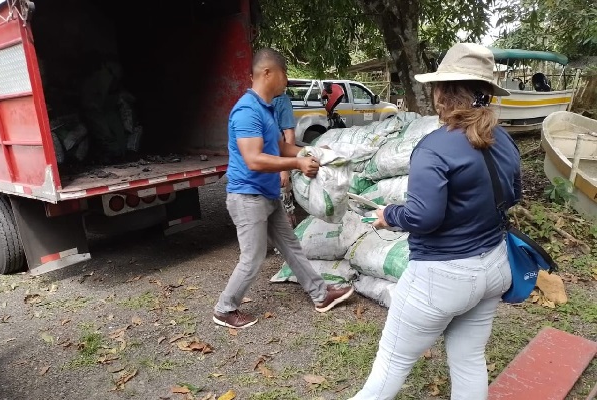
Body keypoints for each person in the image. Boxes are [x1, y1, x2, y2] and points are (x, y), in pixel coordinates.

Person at [348, 43, 521, 400]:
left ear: (442, 91)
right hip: (494, 266)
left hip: (441, 277)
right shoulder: (503, 139)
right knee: (469, 359)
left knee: (390, 365)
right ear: (485, 92)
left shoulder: (433, 147)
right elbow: (513, 196)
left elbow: (423, 217)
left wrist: (387, 215)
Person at [214, 48, 354, 329]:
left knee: (292, 248)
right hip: (247, 197)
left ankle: (321, 294)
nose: (287, 80)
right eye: (284, 73)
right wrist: (297, 164)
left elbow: (279, 147)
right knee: (252, 258)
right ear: (267, 73)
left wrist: (310, 152)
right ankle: (224, 309)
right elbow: (253, 159)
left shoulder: (266, 109)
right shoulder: (246, 111)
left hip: (266, 195)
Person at [272, 91, 297, 227]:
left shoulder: (281, 99)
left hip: (278, 163)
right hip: (266, 165)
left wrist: (284, 168)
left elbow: (289, 135)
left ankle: (288, 245)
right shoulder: (257, 100)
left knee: (284, 206)